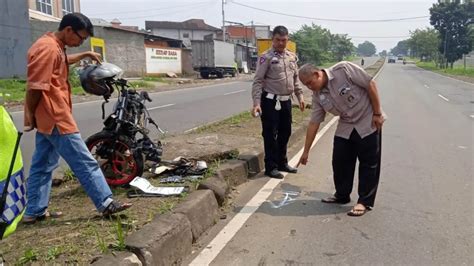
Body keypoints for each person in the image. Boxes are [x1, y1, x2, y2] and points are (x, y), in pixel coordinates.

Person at [23, 13, 131, 223]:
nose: (80, 42)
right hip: (55, 117)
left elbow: (59, 63)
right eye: (80, 38)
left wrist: (84, 54)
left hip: (50, 117)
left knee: (42, 165)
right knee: (84, 161)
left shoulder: (53, 45)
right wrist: (30, 115)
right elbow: (35, 87)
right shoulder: (47, 48)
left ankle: (34, 210)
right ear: (68, 30)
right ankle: (106, 203)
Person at [297, 62, 385, 217]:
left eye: (310, 83)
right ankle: (342, 195)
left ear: (318, 74)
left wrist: (377, 113)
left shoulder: (344, 70)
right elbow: (314, 123)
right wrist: (305, 151)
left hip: (368, 120)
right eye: (306, 85)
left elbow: (370, 84)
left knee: (369, 163)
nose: (310, 87)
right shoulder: (318, 96)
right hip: (346, 125)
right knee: (340, 161)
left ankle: (364, 201)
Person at [251, 26, 305, 179]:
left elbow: (295, 79)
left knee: (285, 133)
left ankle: (282, 162)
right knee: (270, 134)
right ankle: (271, 167)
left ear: (288, 39)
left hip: (286, 101)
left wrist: (300, 97)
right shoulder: (265, 57)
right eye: (278, 40)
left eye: (284, 40)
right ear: (273, 39)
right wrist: (256, 103)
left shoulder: (291, 57)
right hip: (269, 102)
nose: (281, 43)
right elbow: (258, 81)